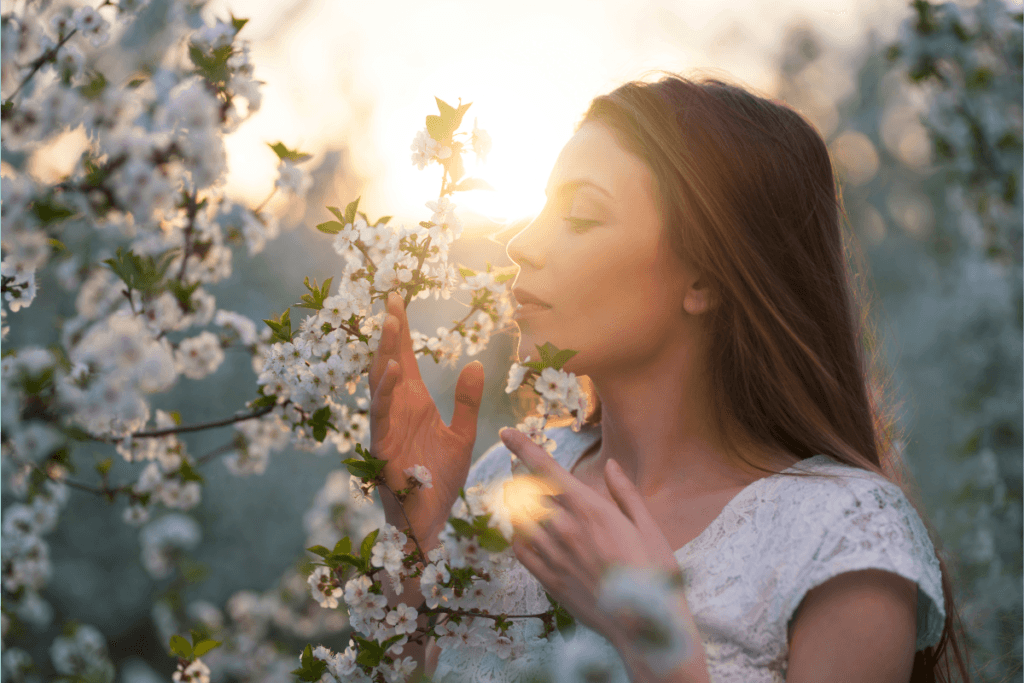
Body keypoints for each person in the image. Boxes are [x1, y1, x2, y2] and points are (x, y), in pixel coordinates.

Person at [367, 73, 972, 682]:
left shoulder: (846, 539)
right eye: (542, 209)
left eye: (579, 216)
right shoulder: (511, 478)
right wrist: (416, 537)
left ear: (704, 279)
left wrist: (652, 641)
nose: (522, 245)